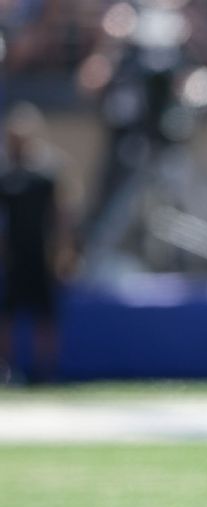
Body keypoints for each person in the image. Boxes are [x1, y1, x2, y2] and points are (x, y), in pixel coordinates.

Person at [0, 103, 71, 385]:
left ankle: (46, 371)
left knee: (46, 315)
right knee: (7, 314)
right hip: (14, 256)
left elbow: (62, 213)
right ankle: (7, 368)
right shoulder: (5, 177)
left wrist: (64, 251)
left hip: (42, 254)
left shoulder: (46, 175)